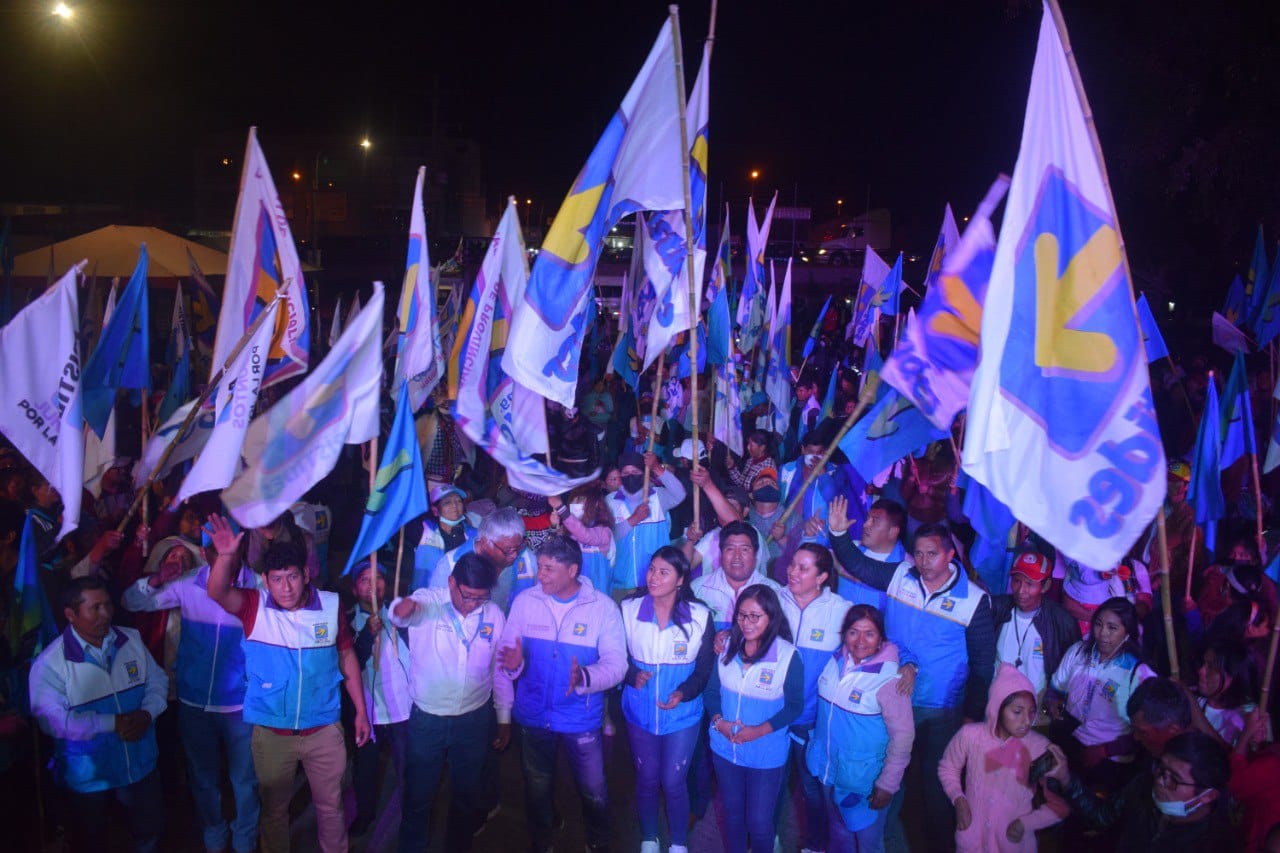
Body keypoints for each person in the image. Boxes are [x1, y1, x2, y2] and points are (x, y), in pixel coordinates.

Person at [203, 515, 370, 853]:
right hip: (271, 733)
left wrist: (361, 713)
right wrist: (224, 557)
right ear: (265, 580)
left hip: (323, 728)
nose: (286, 587)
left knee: (330, 807)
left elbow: (347, 656)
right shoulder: (253, 607)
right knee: (274, 813)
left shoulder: (330, 606)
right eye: (277, 579)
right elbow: (217, 591)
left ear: (306, 573)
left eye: (292, 577)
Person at [121, 526, 260, 853]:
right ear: (206, 552)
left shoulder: (258, 586)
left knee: (245, 781)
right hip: (194, 702)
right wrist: (156, 579)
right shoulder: (188, 584)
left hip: (241, 705)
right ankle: (214, 837)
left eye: (233, 548)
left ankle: (245, 841)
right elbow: (132, 601)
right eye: (217, 549)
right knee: (203, 779)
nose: (226, 555)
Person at [496, 536, 626, 853]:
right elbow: (507, 658)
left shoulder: (603, 608)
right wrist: (514, 666)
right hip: (533, 714)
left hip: (579, 716)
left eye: (550, 569)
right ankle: (543, 837)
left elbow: (617, 664)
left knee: (593, 788)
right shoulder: (526, 601)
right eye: (540, 567)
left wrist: (584, 676)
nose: (542, 575)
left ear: (573, 570)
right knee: (537, 784)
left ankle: (598, 837)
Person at [29, 577, 168, 853]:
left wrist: (146, 713)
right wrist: (111, 723)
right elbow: (50, 719)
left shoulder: (130, 639)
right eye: (95, 608)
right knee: (92, 841)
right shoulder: (50, 663)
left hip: (139, 767)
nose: (105, 614)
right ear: (71, 614)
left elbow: (158, 681)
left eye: (107, 605)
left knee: (148, 833)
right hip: (90, 780)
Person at [390, 552, 509, 852]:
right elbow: (405, 611)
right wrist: (400, 610)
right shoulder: (430, 602)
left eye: (480, 598)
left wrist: (504, 717)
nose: (472, 605)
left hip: (474, 719)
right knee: (418, 797)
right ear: (451, 583)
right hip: (428, 721)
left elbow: (502, 669)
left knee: (466, 797)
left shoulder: (493, 614)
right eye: (467, 596)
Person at [620, 547, 716, 853]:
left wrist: (684, 691)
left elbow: (704, 669)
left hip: (683, 715)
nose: (653, 577)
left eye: (664, 572)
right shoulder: (629, 610)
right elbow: (615, 654)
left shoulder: (700, 616)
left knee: (674, 781)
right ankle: (649, 837)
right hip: (639, 710)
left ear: (680, 579)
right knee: (647, 778)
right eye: (651, 569)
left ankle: (678, 843)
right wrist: (631, 673)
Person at [805, 604, 913, 853]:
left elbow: (903, 737)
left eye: (869, 633)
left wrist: (887, 784)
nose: (860, 640)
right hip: (828, 769)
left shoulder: (890, 678)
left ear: (881, 638)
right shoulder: (835, 660)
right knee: (838, 833)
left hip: (863, 781)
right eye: (854, 632)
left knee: (868, 843)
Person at [705, 584, 804, 853]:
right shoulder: (726, 647)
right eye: (742, 615)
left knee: (759, 822)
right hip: (725, 748)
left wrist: (758, 731)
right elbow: (712, 691)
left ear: (771, 617)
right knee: (733, 817)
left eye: (755, 616)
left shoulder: (787, 656)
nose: (747, 623)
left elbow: (795, 706)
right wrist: (718, 722)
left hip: (765, 753)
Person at [937, 664, 1064, 852]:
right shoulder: (970, 736)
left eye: (1031, 712)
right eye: (1017, 712)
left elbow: (1060, 804)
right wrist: (959, 799)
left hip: (1013, 844)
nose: (1027, 721)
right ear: (997, 708)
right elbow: (948, 767)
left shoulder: (1039, 747)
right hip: (973, 840)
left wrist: (1026, 823)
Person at [1043, 730, 1238, 850]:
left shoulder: (1216, 844)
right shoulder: (1143, 786)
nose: (1161, 781)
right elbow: (1102, 816)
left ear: (1208, 795)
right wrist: (1066, 779)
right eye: (1161, 769)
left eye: (1174, 780)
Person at [779, 543, 852, 853]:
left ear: (822, 576)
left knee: (812, 789)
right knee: (770, 786)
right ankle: (767, 838)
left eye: (803, 568)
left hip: (812, 722)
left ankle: (815, 845)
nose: (792, 572)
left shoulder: (842, 611)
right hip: (772, 716)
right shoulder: (774, 597)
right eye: (793, 564)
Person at [1043, 597, 1155, 793]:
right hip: (1071, 742)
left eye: (1112, 628)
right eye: (1099, 624)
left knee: (1093, 809)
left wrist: (1104, 751)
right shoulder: (1079, 652)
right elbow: (1055, 688)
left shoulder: (1137, 673)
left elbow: (1147, 734)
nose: (1102, 633)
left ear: (1127, 632)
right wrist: (1052, 702)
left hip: (1110, 760)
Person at [347, 564, 412, 837]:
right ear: (354, 589)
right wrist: (366, 635)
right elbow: (347, 665)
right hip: (369, 714)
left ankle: (412, 813)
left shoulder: (401, 616)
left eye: (379, 579)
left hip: (403, 710)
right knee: (365, 771)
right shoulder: (346, 623)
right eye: (365, 580)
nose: (373, 586)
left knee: (408, 766)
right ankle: (365, 814)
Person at [990, 550, 1081, 709]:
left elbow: (1072, 666)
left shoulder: (1062, 622)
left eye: (1029, 584)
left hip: (1035, 709)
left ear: (1046, 585)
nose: (1021, 590)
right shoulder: (997, 608)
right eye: (1017, 581)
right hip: (994, 703)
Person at [606, 450, 686, 597]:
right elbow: (607, 537)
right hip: (621, 582)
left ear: (644, 473)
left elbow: (680, 494)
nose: (630, 475)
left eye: (635, 471)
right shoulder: (610, 501)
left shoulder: (658, 496)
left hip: (655, 582)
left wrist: (657, 467)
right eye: (625, 473)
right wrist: (633, 520)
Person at [428, 507, 537, 611]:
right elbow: (436, 611)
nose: (514, 555)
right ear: (485, 542)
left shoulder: (527, 559)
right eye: (508, 550)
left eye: (519, 547)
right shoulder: (450, 565)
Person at [691, 520, 782, 635]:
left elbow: (779, 640)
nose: (737, 557)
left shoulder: (774, 592)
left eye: (744, 549)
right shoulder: (697, 589)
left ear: (755, 554)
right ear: (721, 553)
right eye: (730, 549)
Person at [833, 498, 907, 609]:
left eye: (875, 521)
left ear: (893, 532)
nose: (865, 525)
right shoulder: (850, 547)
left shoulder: (905, 569)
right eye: (867, 518)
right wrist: (810, 537)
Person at [548, 485, 616, 597]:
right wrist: (553, 527)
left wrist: (560, 507)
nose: (576, 504)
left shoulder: (604, 532)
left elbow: (586, 536)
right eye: (574, 500)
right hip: (573, 596)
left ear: (596, 504)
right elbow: (551, 550)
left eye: (580, 500)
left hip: (597, 598)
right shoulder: (569, 531)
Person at [411, 483, 476, 591]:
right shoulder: (424, 531)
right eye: (447, 502)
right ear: (435, 510)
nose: (454, 505)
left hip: (460, 598)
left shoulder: (474, 534)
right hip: (426, 597)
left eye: (458, 501)